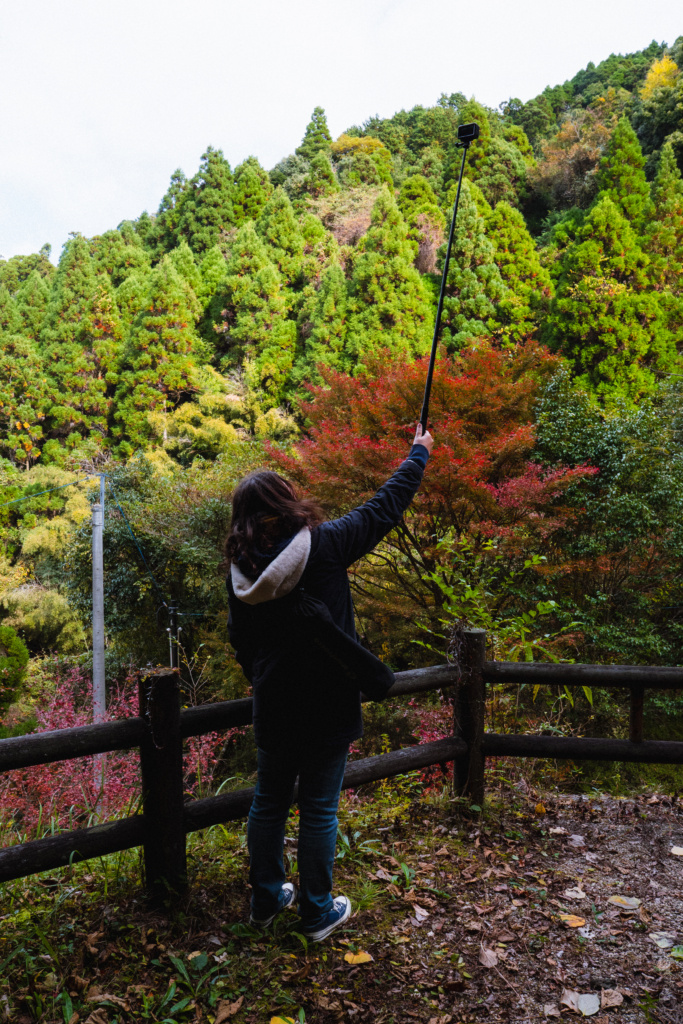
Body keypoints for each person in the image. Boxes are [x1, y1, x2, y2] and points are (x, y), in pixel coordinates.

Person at [225, 423, 433, 942]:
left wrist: (262, 677)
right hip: (329, 700)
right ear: (287, 503)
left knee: (268, 801)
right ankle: (316, 912)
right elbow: (385, 506)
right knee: (319, 806)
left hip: (275, 702)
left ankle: (266, 901)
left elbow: (240, 641)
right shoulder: (326, 544)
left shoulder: (240, 573)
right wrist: (418, 452)